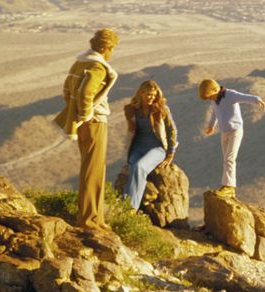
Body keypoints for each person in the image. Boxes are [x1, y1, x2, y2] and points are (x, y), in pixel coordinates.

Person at [54, 28, 119, 230]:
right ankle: (89, 220)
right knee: (93, 170)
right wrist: (86, 114)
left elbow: (67, 89)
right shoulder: (97, 66)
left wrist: (75, 112)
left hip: (85, 123)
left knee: (92, 168)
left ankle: (95, 217)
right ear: (107, 47)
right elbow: (85, 91)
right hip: (95, 122)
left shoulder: (79, 62)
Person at [198, 78, 265, 195]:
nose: (209, 99)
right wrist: (211, 126)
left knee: (229, 158)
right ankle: (228, 187)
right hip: (224, 132)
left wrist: (258, 100)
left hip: (235, 131)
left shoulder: (230, 95)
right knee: (226, 159)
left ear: (214, 90)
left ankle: (229, 186)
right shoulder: (215, 100)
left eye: (209, 96)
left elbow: (244, 97)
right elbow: (215, 112)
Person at [123, 79, 178, 210]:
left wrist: (171, 153)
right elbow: (131, 131)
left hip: (156, 148)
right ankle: (123, 205)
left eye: (154, 95)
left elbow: (172, 130)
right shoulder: (132, 110)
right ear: (141, 93)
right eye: (149, 94)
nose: (151, 98)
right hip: (137, 147)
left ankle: (131, 209)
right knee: (131, 168)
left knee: (139, 167)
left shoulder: (161, 109)